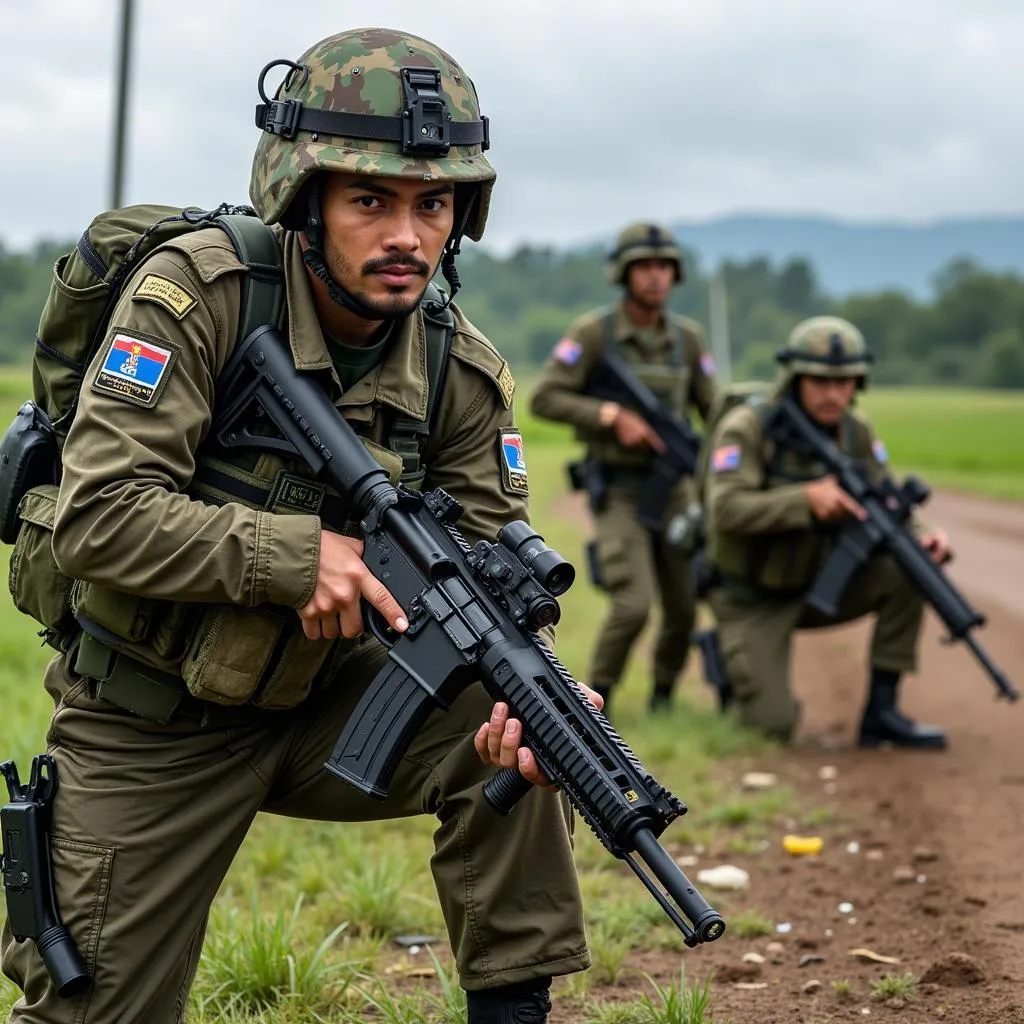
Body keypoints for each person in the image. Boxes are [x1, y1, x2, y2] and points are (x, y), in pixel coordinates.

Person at [1, 28, 594, 1024]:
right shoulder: (197, 298)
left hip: (329, 700)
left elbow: (495, 564)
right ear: (302, 200)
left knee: (531, 723)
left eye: (433, 204)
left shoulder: (459, 368)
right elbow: (97, 519)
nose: (407, 236)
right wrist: (293, 557)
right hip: (152, 711)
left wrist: (536, 678)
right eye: (371, 201)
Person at [702, 316, 950, 748]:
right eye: (819, 381)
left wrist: (924, 533)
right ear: (796, 379)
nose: (834, 393)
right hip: (751, 597)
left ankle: (882, 714)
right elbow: (724, 509)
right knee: (772, 727)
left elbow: (884, 501)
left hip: (817, 585)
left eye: (844, 381)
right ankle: (724, 656)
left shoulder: (857, 432)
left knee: (912, 566)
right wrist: (804, 501)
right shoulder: (749, 427)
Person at [529, 223, 716, 713]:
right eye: (644, 267)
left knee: (683, 606)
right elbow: (544, 397)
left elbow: (714, 414)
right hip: (618, 490)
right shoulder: (595, 334)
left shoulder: (688, 341)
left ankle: (663, 697)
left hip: (674, 490)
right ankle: (598, 702)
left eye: (663, 268)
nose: (655, 278)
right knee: (633, 605)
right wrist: (610, 417)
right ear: (624, 273)